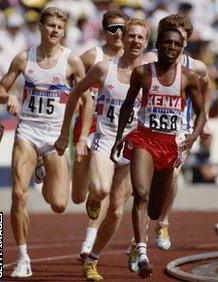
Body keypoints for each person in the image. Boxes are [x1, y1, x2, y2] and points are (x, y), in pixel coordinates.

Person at [0, 7, 91, 278]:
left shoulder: (71, 62)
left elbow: (86, 100)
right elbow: (0, 89)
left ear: (64, 31)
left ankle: (43, 171)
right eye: (50, 26)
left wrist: (81, 137)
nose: (55, 31)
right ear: (40, 27)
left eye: (59, 27)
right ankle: (23, 257)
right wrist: (8, 98)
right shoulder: (25, 58)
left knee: (59, 204)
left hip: (55, 137)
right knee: (17, 194)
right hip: (28, 132)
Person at [55, 18, 150, 281]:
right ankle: (93, 199)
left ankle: (92, 258)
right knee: (99, 190)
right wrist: (67, 133)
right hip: (105, 137)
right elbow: (75, 93)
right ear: (124, 39)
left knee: (118, 210)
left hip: (133, 143)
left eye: (140, 37)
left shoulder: (151, 72)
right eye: (130, 36)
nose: (134, 41)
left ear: (145, 40)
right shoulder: (102, 68)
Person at [111, 27, 206, 279]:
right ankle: (142, 253)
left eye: (176, 44)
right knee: (140, 193)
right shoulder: (142, 73)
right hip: (144, 139)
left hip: (170, 145)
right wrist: (120, 135)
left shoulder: (188, 77)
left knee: (153, 211)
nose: (171, 48)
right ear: (158, 45)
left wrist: (193, 137)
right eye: (166, 43)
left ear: (181, 47)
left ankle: (136, 242)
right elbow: (128, 105)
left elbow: (202, 113)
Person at [142, 14, 212, 251]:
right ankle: (140, 231)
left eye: (179, 37)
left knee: (172, 172)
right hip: (147, 128)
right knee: (146, 181)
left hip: (179, 129)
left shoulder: (197, 67)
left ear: (186, 39)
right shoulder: (151, 59)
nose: (172, 43)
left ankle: (163, 222)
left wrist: (206, 122)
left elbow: (206, 86)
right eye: (168, 36)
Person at [72, 10, 129, 260]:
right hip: (88, 123)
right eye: (113, 28)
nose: (119, 34)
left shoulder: (134, 60)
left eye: (123, 29)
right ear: (104, 31)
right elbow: (68, 79)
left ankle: (89, 241)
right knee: (78, 195)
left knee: (107, 190)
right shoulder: (92, 55)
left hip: (115, 129)